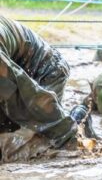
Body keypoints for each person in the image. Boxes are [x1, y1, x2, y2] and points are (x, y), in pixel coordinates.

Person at [0, 15, 92, 163]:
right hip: (15, 72)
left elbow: (24, 95)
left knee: (30, 148)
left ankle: (78, 121)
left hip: (45, 70)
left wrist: (67, 138)